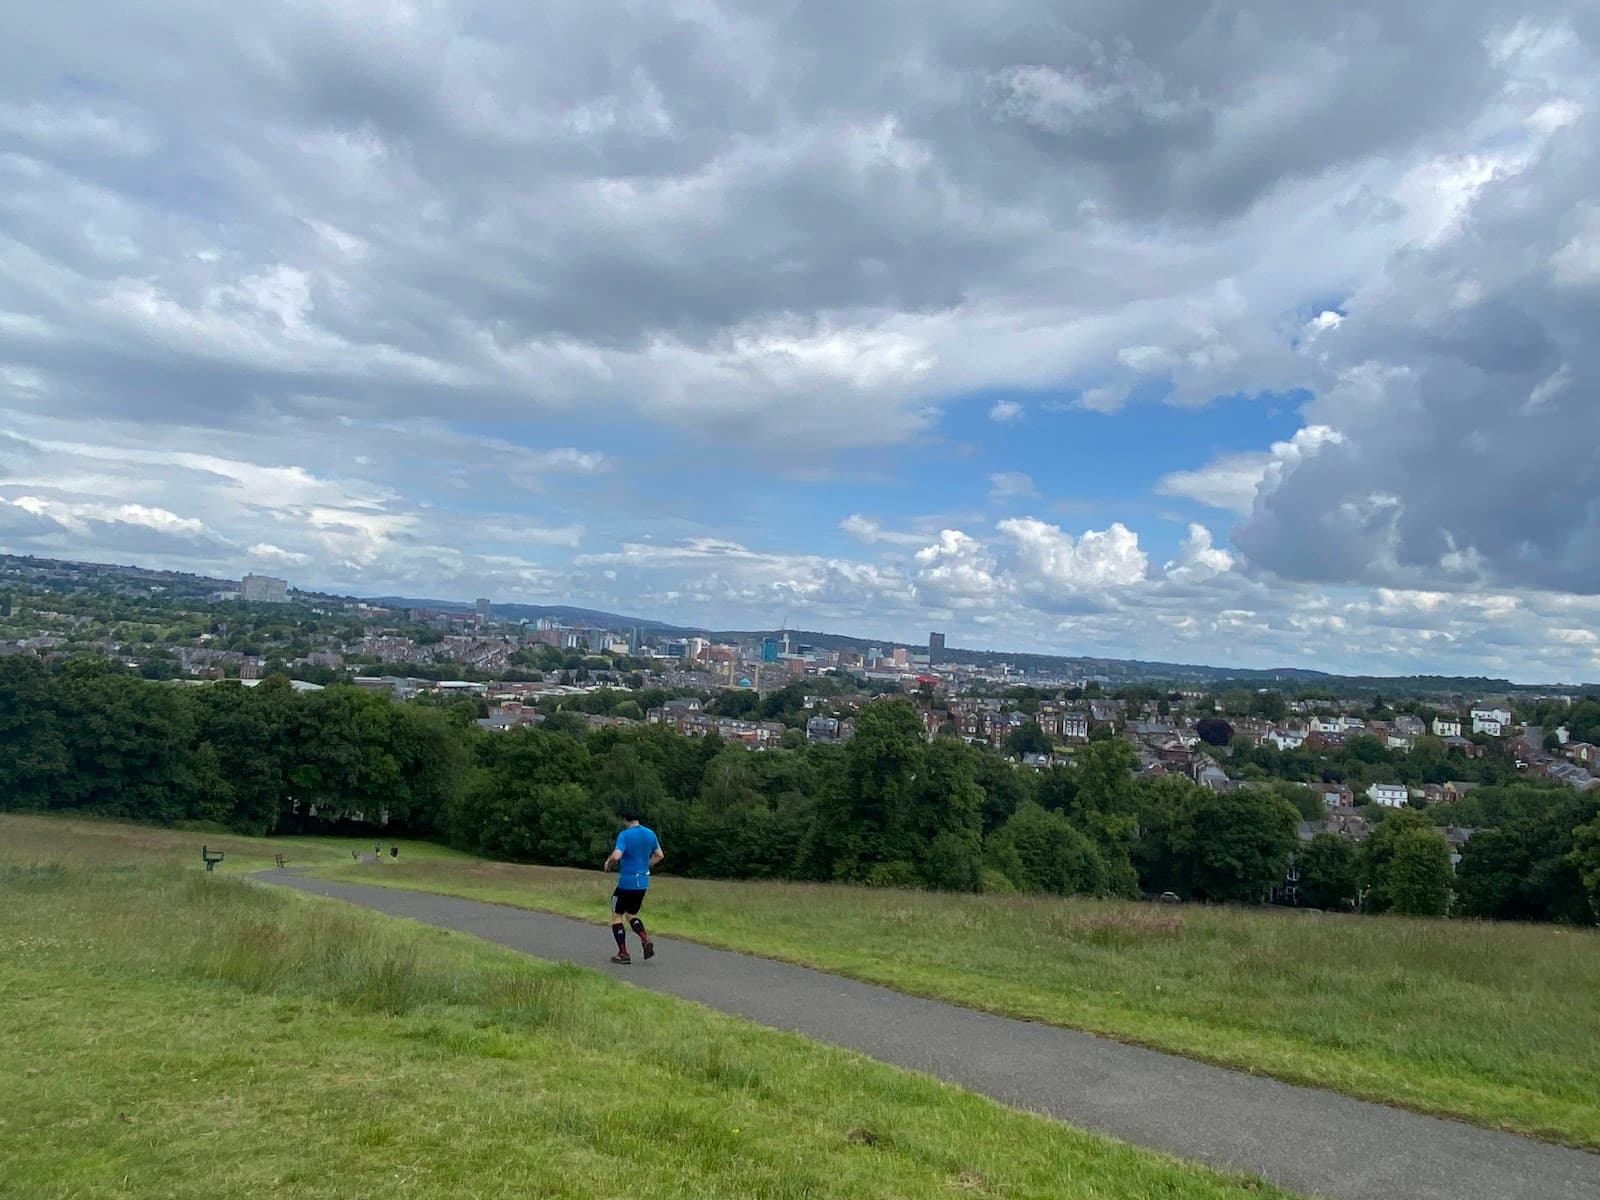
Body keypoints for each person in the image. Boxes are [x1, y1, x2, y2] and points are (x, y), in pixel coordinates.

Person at [602, 809, 663, 964]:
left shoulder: (625, 835)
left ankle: (623, 953)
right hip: (642, 882)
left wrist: (608, 862)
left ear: (624, 819)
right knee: (631, 914)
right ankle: (644, 939)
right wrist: (646, 865)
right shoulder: (650, 834)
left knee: (616, 915)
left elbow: (617, 855)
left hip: (626, 882)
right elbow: (659, 855)